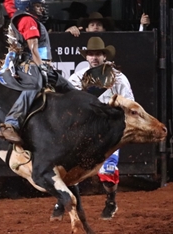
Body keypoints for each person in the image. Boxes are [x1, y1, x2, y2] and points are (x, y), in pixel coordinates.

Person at [51, 36, 134, 221]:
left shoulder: (118, 78)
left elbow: (130, 104)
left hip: (108, 133)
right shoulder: (78, 77)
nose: (94, 57)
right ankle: (61, 199)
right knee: (65, 168)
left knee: (107, 172)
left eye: (98, 54)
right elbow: (66, 102)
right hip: (83, 132)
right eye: (91, 54)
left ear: (105, 56)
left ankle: (111, 199)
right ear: (86, 57)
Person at [0, 0, 75, 145]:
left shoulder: (20, 15)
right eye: (38, 6)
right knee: (35, 85)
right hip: (31, 64)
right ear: (28, 7)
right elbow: (33, 48)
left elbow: (11, 8)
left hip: (30, 63)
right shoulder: (29, 22)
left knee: (67, 87)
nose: (42, 9)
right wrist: (41, 68)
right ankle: (11, 123)